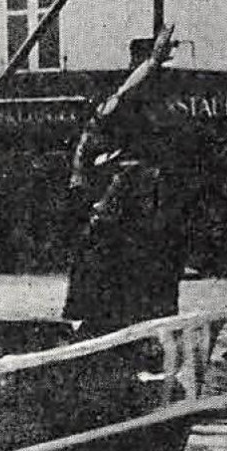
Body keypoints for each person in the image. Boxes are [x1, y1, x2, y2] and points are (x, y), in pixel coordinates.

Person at [61, 117, 183, 338]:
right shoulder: (115, 168)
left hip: (127, 252)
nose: (86, 140)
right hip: (119, 253)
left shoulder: (131, 171)